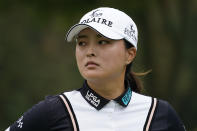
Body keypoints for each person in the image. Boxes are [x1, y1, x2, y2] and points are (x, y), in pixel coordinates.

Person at [6, 7, 186, 131]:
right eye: (82, 43)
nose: (90, 52)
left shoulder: (160, 113)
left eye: (103, 42)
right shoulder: (53, 111)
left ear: (129, 54)